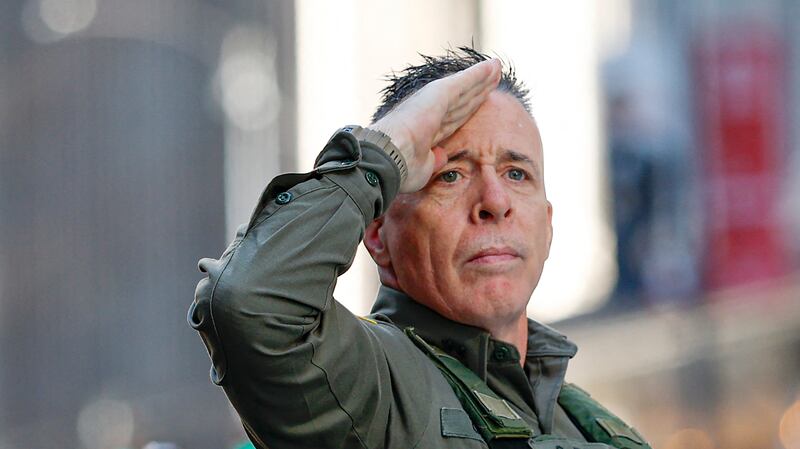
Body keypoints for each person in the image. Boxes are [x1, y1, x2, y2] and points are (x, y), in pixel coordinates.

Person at [188, 47, 650, 449]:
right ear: (377, 235)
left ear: (547, 227)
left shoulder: (595, 427)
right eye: (450, 175)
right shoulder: (373, 387)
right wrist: (383, 152)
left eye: (516, 173)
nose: (495, 202)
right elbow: (252, 303)